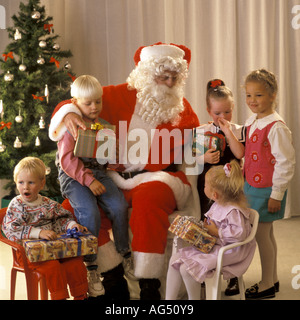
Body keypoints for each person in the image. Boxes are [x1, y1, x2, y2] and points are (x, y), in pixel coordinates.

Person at [49, 42, 200, 300]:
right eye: (164, 76)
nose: (170, 83)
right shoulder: (117, 95)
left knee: (148, 200)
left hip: (156, 178)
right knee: (77, 207)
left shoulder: (181, 108)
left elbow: (198, 142)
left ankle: (149, 283)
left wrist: (205, 151)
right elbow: (79, 99)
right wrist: (69, 113)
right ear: (147, 74)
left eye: (175, 77)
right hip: (111, 176)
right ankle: (112, 272)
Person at [56, 75, 131, 298]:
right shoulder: (70, 127)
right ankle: (91, 264)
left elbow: (108, 161)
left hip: (98, 172)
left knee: (119, 206)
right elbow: (67, 161)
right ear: (75, 102)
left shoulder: (105, 127)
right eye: (87, 103)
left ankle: (124, 251)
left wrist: (115, 159)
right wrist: (89, 181)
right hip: (74, 176)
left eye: (98, 101)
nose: (94, 107)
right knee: (88, 211)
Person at [165, 160, 256, 300]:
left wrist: (216, 232)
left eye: (205, 185)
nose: (203, 187)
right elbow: (211, 225)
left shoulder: (234, 211)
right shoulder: (217, 204)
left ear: (215, 194)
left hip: (231, 250)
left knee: (186, 269)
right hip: (215, 246)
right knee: (175, 260)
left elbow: (239, 234)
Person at [2, 157, 89, 300]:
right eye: (21, 182)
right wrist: (39, 233)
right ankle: (59, 297)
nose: (26, 187)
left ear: (42, 183)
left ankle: (80, 295)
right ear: (16, 183)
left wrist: (72, 226)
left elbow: (62, 219)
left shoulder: (48, 204)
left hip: (54, 248)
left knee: (75, 263)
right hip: (27, 254)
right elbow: (11, 229)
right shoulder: (16, 205)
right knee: (53, 267)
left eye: (31, 182)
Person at [243, 69, 295, 299]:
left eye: (259, 95)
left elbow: (286, 162)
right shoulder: (254, 120)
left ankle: (265, 284)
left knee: (260, 235)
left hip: (266, 191)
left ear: (273, 95)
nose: (252, 101)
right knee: (267, 233)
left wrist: (277, 194)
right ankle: (272, 279)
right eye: (248, 95)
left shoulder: (276, 127)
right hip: (252, 188)